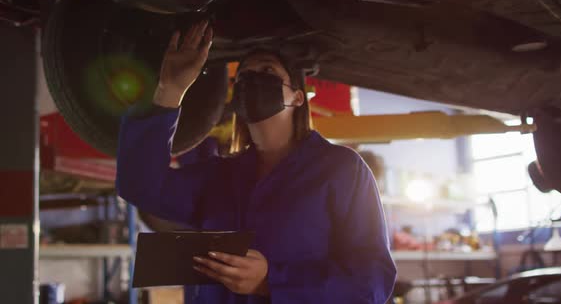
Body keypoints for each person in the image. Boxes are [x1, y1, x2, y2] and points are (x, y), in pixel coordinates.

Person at [116, 20, 397, 304]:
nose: (252, 79)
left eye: (267, 71)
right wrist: (169, 89)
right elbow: (139, 187)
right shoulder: (220, 176)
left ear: (298, 97)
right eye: (243, 77)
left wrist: (271, 281)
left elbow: (371, 282)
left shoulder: (341, 170)